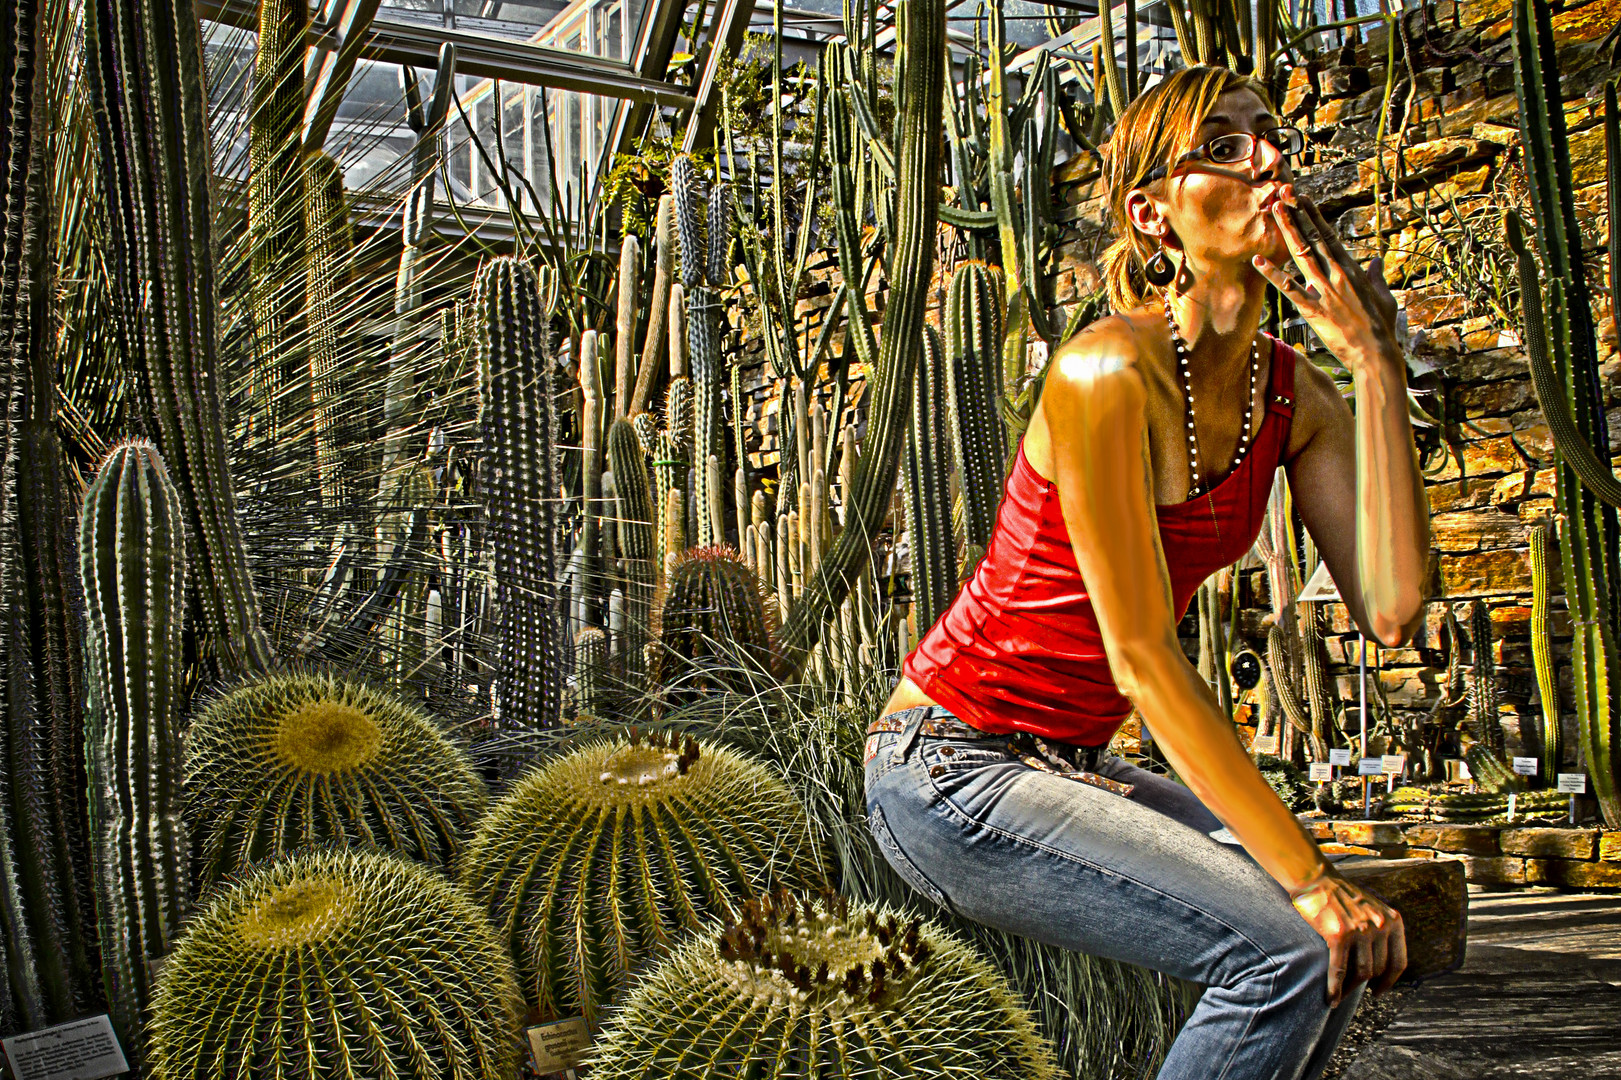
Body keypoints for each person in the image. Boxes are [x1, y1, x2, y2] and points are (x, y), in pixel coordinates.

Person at [863, 64, 1430, 1080]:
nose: (1266, 159)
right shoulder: (1104, 370)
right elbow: (1139, 656)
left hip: (1066, 766)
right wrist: (1304, 880)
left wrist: (1376, 367)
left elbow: (1391, 608)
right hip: (949, 766)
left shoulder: (1297, 397)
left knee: (1330, 952)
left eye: (1270, 136)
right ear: (1152, 213)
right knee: (1291, 947)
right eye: (1220, 146)